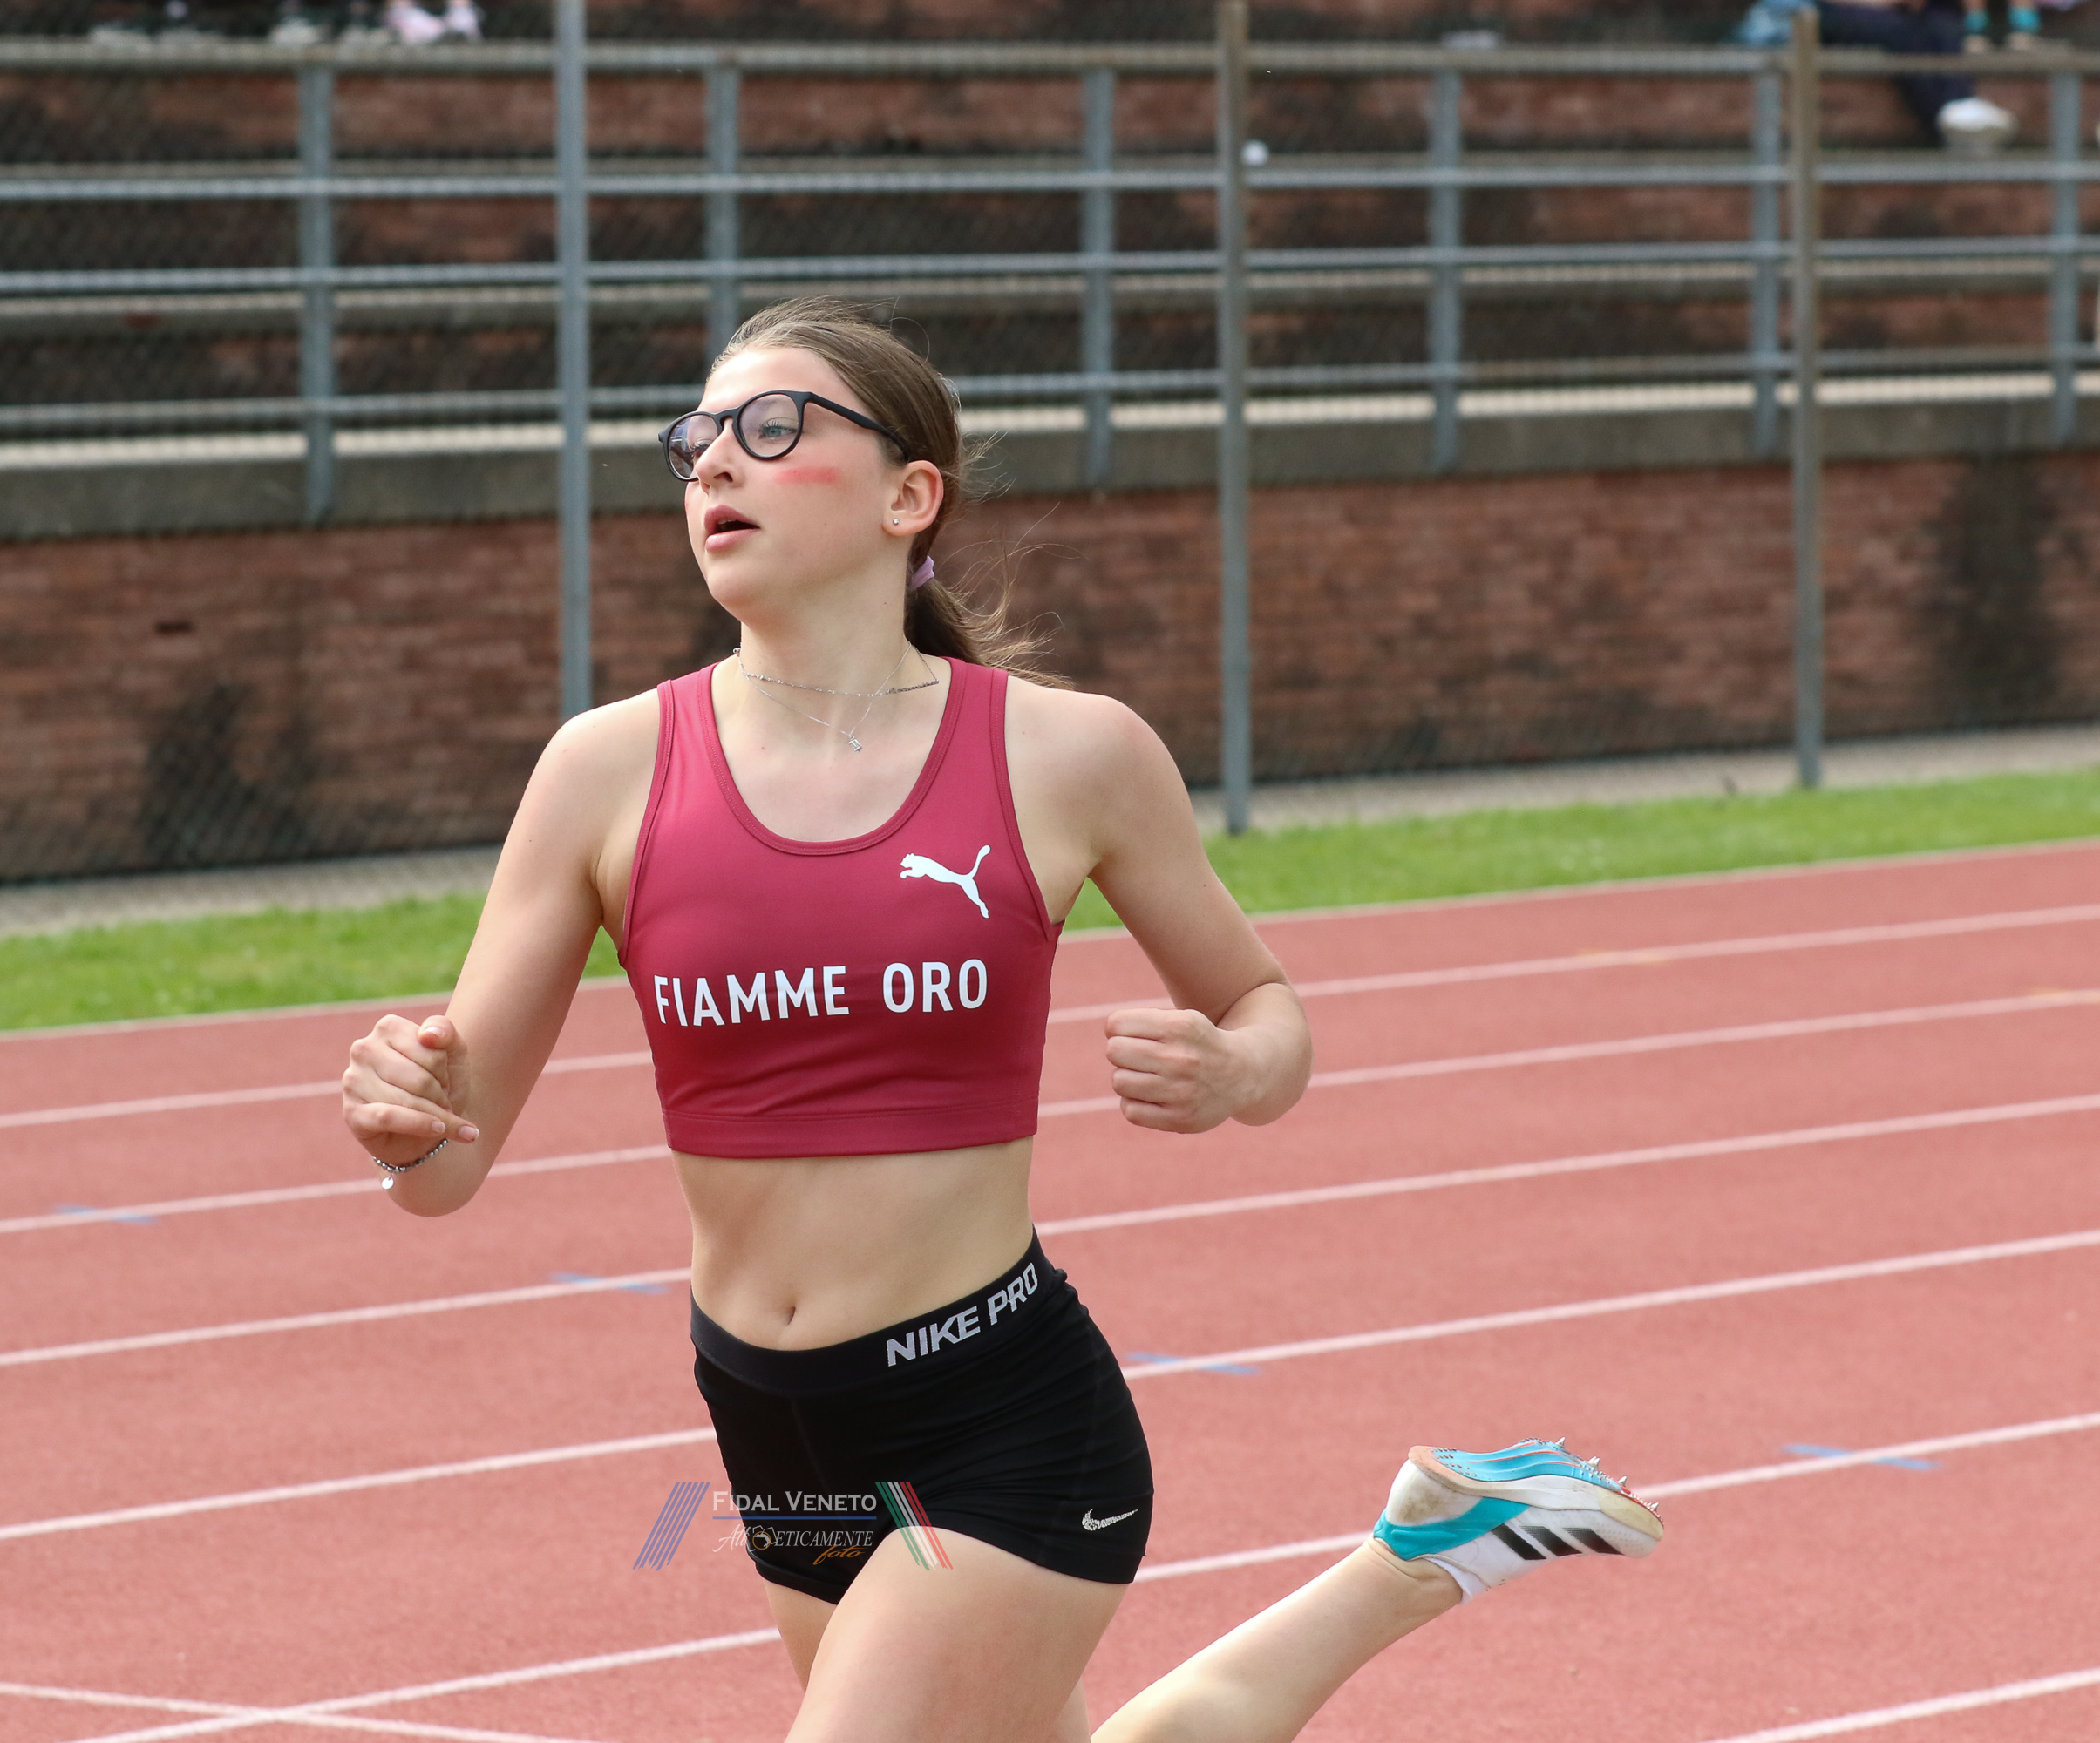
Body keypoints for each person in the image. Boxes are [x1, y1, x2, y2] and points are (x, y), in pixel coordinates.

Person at [340, 296, 1663, 1742]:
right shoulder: (601, 771)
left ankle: (1413, 1560)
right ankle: (1412, 1559)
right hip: (775, 1428)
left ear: (910, 495)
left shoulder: (1066, 753)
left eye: (770, 427)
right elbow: (446, 1168)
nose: (713, 461)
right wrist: (404, 1122)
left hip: (993, 1413)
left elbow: (1265, 1010)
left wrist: (1233, 1070)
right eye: (696, 437)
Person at [1733, 0, 2020, 150]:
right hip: (1805, 13)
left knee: (1938, 22)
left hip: (1877, 10)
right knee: (1900, 32)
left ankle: (1961, 104)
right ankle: (1947, 114)